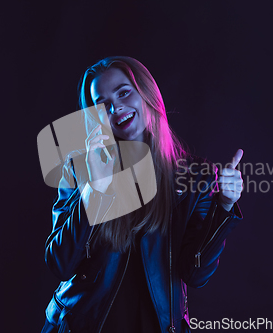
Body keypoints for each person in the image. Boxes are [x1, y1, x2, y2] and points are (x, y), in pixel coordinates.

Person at [41, 56, 244, 333]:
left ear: (146, 94)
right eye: (103, 105)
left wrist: (224, 206)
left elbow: (194, 273)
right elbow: (61, 263)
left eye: (124, 92)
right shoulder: (79, 169)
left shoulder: (196, 176)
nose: (116, 108)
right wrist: (94, 189)